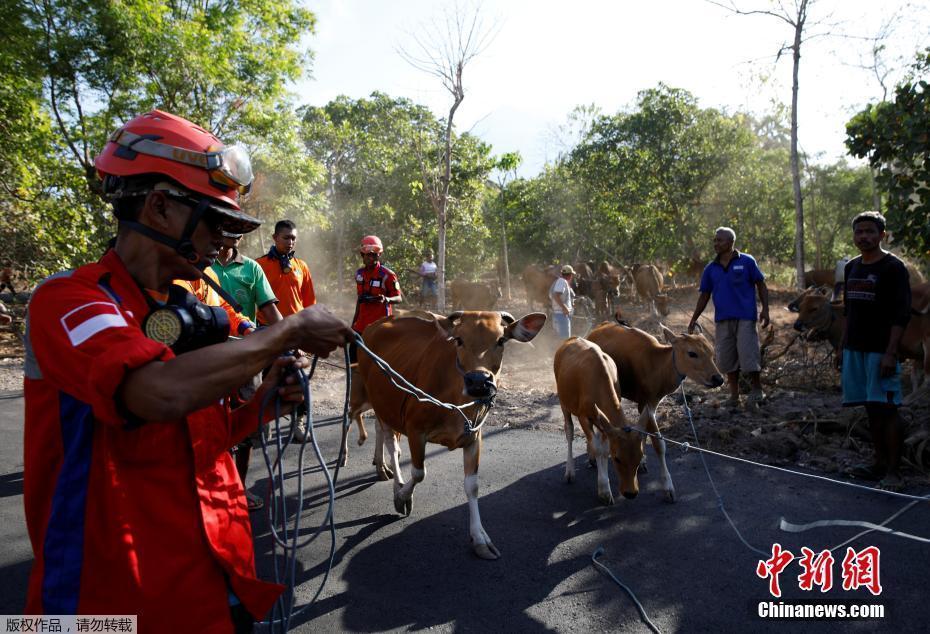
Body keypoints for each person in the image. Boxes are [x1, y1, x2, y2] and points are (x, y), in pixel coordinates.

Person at [23, 109, 352, 632]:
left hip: (213, 582)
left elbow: (198, 436)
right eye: (214, 223)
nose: (224, 243)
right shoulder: (70, 300)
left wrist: (262, 406)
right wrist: (285, 332)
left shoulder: (191, 308)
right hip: (108, 602)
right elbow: (153, 394)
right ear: (159, 208)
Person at [838, 212, 911, 492]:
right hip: (855, 350)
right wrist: (843, 346)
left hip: (881, 351)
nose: (864, 237)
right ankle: (878, 463)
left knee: (888, 408)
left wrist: (891, 353)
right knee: (871, 407)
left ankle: (894, 472)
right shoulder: (852, 267)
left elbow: (901, 314)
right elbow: (849, 311)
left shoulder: (893, 267)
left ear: (882, 235)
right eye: (859, 232)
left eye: (870, 232)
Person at [214, 229, 284, 509]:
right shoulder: (200, 266)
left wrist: (289, 337)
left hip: (246, 357)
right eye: (228, 228)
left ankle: (239, 488)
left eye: (240, 230)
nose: (236, 235)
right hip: (209, 359)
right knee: (211, 421)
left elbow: (269, 309)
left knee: (247, 423)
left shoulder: (252, 268)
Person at [688, 227, 770, 408]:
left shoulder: (747, 262)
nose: (716, 244)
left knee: (749, 354)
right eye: (715, 240)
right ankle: (734, 396)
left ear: (731, 242)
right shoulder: (711, 268)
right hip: (723, 319)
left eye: (720, 240)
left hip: (746, 317)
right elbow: (704, 295)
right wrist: (694, 318)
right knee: (726, 357)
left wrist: (765, 309)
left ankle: (757, 390)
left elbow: (761, 285)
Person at [351, 235, 402, 360]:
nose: (368, 258)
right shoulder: (359, 274)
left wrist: (387, 299)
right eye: (365, 255)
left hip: (380, 327)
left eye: (372, 255)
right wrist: (353, 325)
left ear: (378, 255)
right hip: (361, 326)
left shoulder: (388, 275)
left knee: (377, 362)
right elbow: (360, 300)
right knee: (353, 358)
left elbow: (398, 298)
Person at [255, 219, 315, 323]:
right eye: (286, 238)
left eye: (293, 238)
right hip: (267, 327)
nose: (290, 242)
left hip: (297, 326)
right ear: (275, 237)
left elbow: (310, 302)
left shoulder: (302, 266)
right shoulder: (259, 265)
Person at [549, 265, 575, 339]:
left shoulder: (561, 281)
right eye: (572, 274)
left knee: (560, 340)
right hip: (562, 316)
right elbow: (556, 295)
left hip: (559, 315)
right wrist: (565, 308)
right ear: (570, 275)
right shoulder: (562, 281)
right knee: (564, 341)